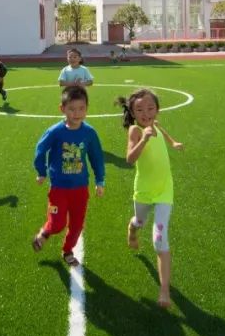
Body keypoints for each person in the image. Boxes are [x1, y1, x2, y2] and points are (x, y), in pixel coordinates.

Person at [116, 87, 184, 309]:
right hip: (144, 190)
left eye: (150, 108)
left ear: (157, 110)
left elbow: (162, 132)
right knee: (140, 221)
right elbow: (129, 159)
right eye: (140, 110)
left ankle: (164, 290)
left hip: (165, 189)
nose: (146, 113)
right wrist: (144, 139)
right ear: (132, 113)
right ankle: (132, 228)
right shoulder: (135, 130)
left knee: (159, 238)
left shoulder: (155, 124)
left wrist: (173, 143)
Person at [32, 86, 105, 267]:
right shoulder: (56, 132)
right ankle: (45, 233)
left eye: (81, 108)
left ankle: (67, 250)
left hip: (80, 189)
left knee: (77, 225)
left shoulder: (89, 133)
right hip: (59, 189)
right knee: (57, 224)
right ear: (62, 109)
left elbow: (96, 157)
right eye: (72, 109)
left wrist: (100, 180)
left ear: (87, 108)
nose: (77, 113)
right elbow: (40, 150)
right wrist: (41, 172)